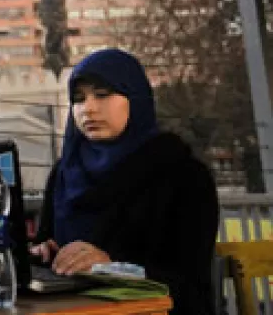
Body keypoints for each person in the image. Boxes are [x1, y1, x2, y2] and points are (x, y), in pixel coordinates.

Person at [30, 48, 219, 315]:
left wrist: (112, 268)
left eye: (103, 94)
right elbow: (48, 248)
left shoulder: (184, 176)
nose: (89, 108)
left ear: (136, 98)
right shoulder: (64, 173)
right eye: (78, 98)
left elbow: (188, 282)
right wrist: (42, 254)